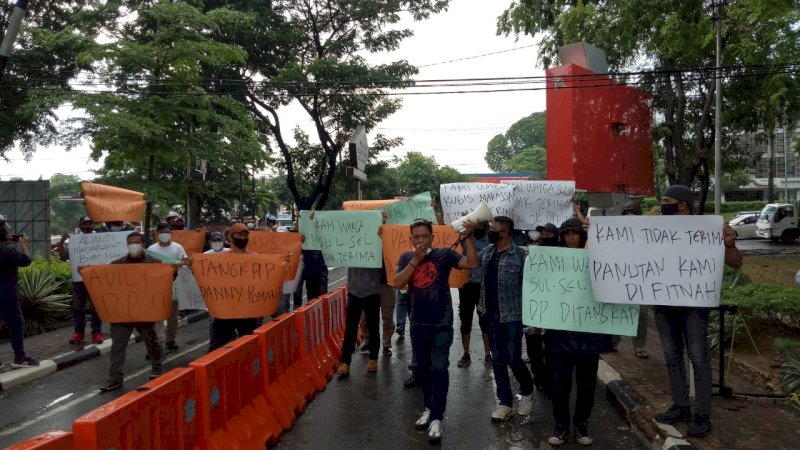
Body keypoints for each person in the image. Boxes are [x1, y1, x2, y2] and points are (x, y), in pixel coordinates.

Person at [653, 184, 742, 438]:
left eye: (666, 200)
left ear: (682, 205)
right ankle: (681, 406)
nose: (663, 205)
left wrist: (729, 243)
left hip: (694, 306)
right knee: (671, 356)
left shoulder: (708, 229)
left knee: (699, 357)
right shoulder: (654, 229)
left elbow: (736, 263)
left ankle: (702, 414)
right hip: (663, 304)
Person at [395, 218, 479, 443]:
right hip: (418, 325)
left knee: (439, 368)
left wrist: (468, 237)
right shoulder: (406, 258)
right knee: (421, 369)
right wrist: (415, 260)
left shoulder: (444, 255)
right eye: (417, 236)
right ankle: (429, 408)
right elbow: (397, 282)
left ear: (432, 237)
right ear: (411, 238)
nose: (421, 240)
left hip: (441, 324)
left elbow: (472, 264)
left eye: (425, 236)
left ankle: (437, 419)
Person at [547, 217, 611, 446]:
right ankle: (561, 426)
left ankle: (581, 425)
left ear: (581, 235)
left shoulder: (597, 259)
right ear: (562, 236)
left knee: (586, 386)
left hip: (589, 333)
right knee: (560, 385)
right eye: (566, 234)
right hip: (561, 334)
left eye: (574, 233)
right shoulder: (552, 260)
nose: (571, 237)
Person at [475, 216, 535, 422]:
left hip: (512, 315)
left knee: (513, 358)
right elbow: (471, 262)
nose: (490, 230)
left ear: (506, 232)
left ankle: (527, 391)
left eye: (494, 227)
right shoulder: (488, 252)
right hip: (490, 314)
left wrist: (531, 320)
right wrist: (466, 235)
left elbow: (530, 288)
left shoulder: (520, 255)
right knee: (498, 360)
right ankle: (505, 403)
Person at [100, 231, 164, 392]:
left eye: (136, 242)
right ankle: (115, 378)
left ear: (143, 244)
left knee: (151, 341)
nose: (133, 245)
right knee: (118, 345)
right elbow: (106, 283)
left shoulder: (155, 263)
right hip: (122, 313)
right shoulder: (116, 265)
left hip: (144, 312)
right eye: (130, 242)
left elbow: (164, 282)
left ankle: (157, 367)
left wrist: (174, 271)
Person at [336, 223, 385, 378]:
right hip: (354, 291)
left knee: (373, 325)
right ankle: (345, 361)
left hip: (372, 291)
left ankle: (373, 358)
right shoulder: (348, 241)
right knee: (350, 327)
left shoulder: (379, 241)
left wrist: (381, 232)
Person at [207, 223, 261, 351]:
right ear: (230, 238)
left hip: (247, 310)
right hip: (226, 310)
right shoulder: (221, 259)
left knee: (249, 345)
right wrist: (194, 267)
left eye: (245, 235)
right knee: (216, 347)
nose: (242, 238)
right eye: (239, 234)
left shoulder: (256, 257)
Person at [610, 201, 651, 358]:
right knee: (617, 311)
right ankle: (613, 341)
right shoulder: (615, 233)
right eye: (626, 214)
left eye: (633, 214)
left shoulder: (647, 234)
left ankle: (639, 346)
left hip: (641, 280)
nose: (629, 217)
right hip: (620, 278)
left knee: (641, 314)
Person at [59, 216, 104, 345]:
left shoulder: (99, 241)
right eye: (85, 224)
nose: (88, 226)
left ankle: (96, 332)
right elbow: (62, 257)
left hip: (95, 280)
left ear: (93, 226)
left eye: (90, 224)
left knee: (96, 308)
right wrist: (62, 241)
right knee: (79, 308)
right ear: (81, 226)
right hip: (79, 281)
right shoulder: (74, 242)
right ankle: (79, 333)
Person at [525, 222, 558, 397]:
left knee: (551, 347)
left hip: (555, 309)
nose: (544, 238)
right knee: (534, 347)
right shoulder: (530, 253)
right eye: (542, 235)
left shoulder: (564, 254)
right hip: (535, 308)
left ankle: (550, 378)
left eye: (548, 235)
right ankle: (538, 377)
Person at [0, 227, 39, 368]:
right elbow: (26, 260)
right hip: (7, 294)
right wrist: (24, 246)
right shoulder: (8, 252)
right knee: (16, 325)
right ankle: (20, 357)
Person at [146, 222, 188, 351]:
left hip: (174, 288)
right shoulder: (152, 250)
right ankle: (157, 343)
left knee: (173, 317)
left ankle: (170, 339)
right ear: (157, 234)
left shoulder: (178, 248)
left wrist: (181, 264)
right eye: (162, 232)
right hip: (157, 289)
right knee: (156, 317)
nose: (165, 234)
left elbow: (185, 261)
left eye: (167, 232)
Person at [456, 220, 491, 368]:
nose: (477, 228)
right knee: (465, 320)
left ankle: (488, 354)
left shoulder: (491, 239)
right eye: (474, 226)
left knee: (485, 321)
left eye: (480, 226)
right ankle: (466, 354)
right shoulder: (464, 238)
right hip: (466, 284)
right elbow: (445, 232)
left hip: (484, 285)